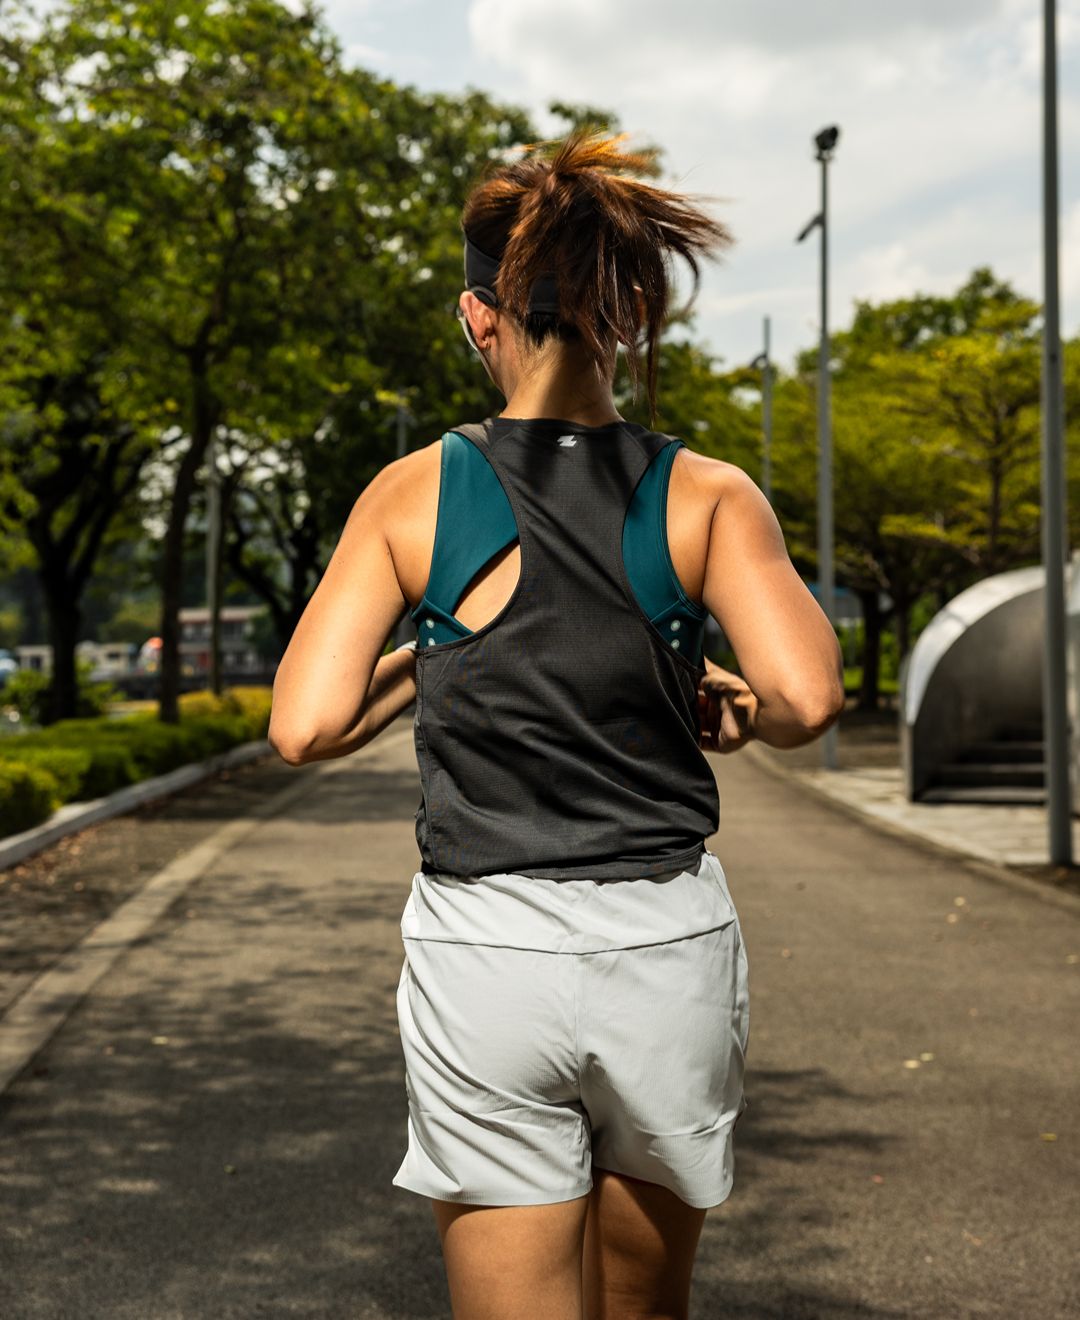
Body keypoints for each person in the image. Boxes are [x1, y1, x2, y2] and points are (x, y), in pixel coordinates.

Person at [269, 130, 845, 1320]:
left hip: (486, 953)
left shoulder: (415, 490)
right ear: (622, 314)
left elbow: (306, 727)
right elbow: (805, 699)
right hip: (666, 948)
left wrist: (440, 651)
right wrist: (736, 705)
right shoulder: (709, 492)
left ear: (476, 318)